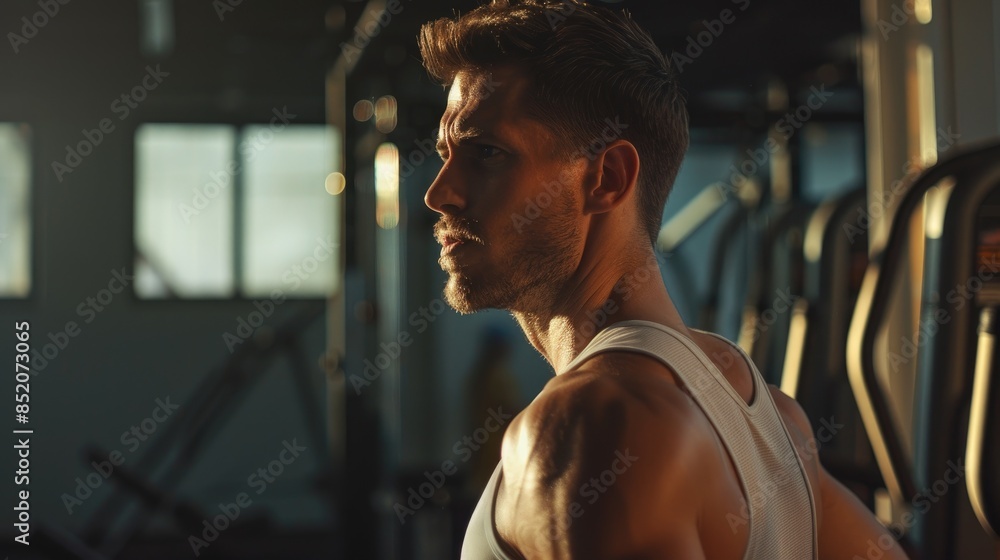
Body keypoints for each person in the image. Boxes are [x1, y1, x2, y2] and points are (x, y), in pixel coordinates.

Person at [418, 1, 910, 558]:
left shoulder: (593, 425)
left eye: (486, 153)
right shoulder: (771, 417)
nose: (439, 193)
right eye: (445, 154)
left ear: (607, 178)